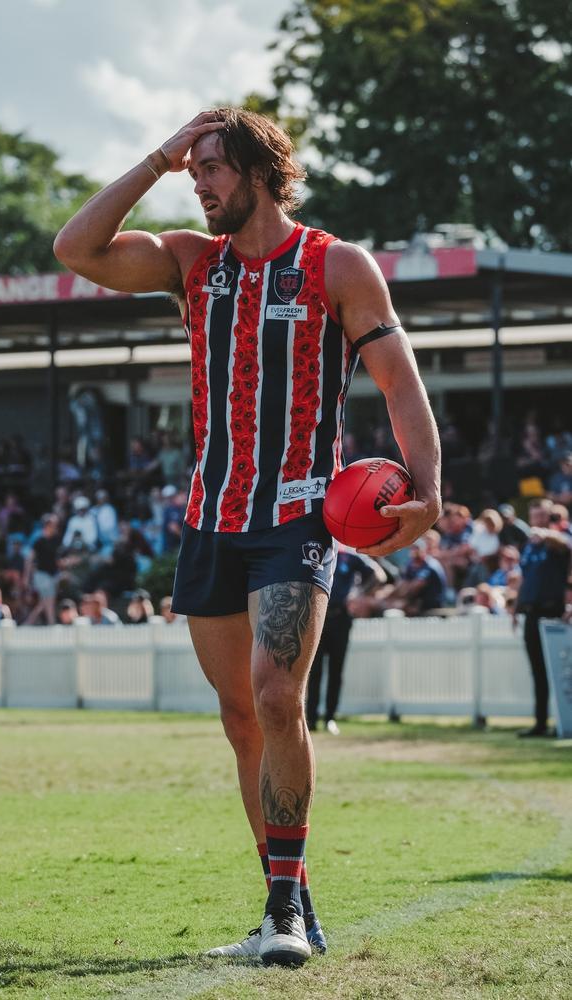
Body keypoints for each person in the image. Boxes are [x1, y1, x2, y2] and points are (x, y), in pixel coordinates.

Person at [55, 107, 441, 966]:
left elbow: (399, 381)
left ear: (262, 171)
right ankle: (290, 903)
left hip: (300, 515)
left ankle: (282, 914)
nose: (199, 184)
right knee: (240, 719)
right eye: (192, 170)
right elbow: (75, 248)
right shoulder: (192, 262)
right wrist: (159, 156)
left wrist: (432, 491)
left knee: (275, 697)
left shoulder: (336, 264)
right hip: (211, 517)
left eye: (213, 169)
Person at [306, 547, 385, 734]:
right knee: (313, 670)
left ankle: (330, 718)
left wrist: (358, 594)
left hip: (340, 617)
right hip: (317, 616)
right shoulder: (318, 551)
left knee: (336, 669)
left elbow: (378, 575)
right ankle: (311, 718)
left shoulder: (350, 557)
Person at [514, 499, 571, 737]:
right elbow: (525, 577)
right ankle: (540, 722)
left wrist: (546, 533)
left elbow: (568, 546)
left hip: (553, 610)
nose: (536, 520)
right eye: (534, 516)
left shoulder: (556, 538)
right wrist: (516, 606)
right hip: (531, 610)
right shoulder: (530, 545)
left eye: (541, 516)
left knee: (559, 669)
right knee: (537, 669)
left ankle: (563, 721)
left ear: (550, 516)